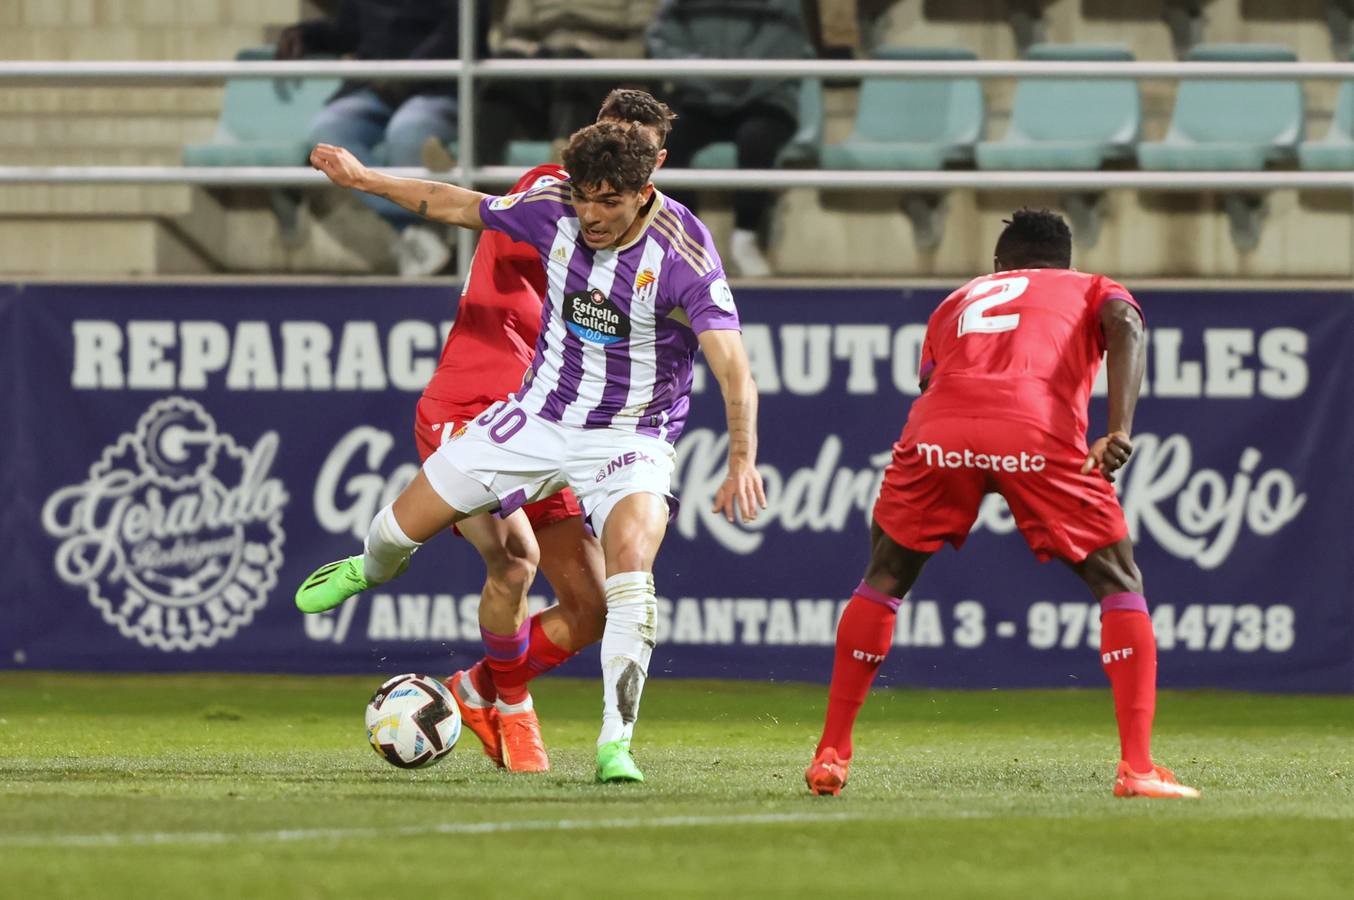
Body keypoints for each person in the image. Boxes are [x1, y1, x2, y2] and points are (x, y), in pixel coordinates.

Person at [299, 120, 766, 784]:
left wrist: (741, 456)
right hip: (537, 418)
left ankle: (614, 745)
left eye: (609, 201)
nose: (592, 215)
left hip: (629, 439)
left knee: (626, 575)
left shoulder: (685, 252)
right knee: (401, 528)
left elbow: (733, 367)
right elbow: (456, 203)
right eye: (585, 197)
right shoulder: (550, 206)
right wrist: (363, 178)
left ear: (645, 185)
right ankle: (373, 569)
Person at [804, 210, 1201, 801]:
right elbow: (1124, 322)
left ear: (998, 265)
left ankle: (830, 753)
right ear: (1064, 262)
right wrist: (1118, 427)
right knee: (1119, 581)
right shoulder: (1091, 286)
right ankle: (1138, 768)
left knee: (884, 577)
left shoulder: (957, 299)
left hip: (940, 429)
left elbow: (930, 382)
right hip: (1034, 429)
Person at [390, 90, 677, 775]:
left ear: (655, 167)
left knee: (594, 610)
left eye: (635, 158)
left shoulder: (643, 239)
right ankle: (513, 710)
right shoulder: (549, 193)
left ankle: (476, 688)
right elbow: (468, 209)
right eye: (610, 140)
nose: (612, 171)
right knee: (513, 561)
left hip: (552, 423)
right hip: (475, 402)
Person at [276, 0, 488, 277]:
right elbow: (349, 31)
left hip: (439, 85)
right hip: (374, 89)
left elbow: (464, 31)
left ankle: (426, 236)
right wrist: (307, 35)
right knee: (327, 132)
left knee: (406, 133)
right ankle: (417, 229)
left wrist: (406, 73)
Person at [645, 0, 815, 277]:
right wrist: (707, 77)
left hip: (765, 94)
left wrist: (733, 76)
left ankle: (745, 238)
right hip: (698, 96)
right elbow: (662, 39)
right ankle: (687, 245)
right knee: (668, 141)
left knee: (756, 139)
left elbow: (784, 42)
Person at [476, 0, 659, 166]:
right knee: (505, 69)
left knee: (572, 61)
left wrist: (590, 50)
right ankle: (473, 166)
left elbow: (642, 44)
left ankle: (566, 161)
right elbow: (515, 35)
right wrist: (534, 53)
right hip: (544, 66)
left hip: (604, 74)